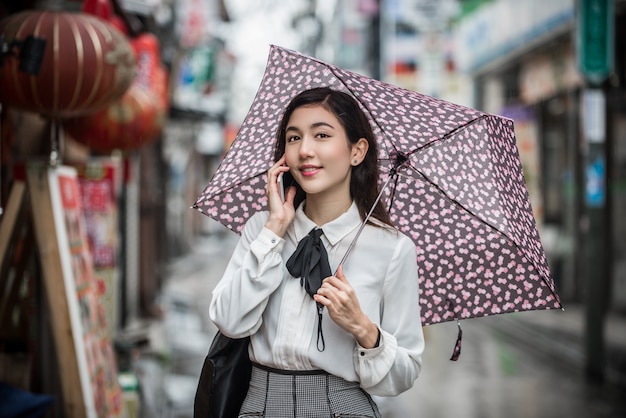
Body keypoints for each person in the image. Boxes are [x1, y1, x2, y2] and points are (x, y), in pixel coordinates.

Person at [209, 87, 425, 417]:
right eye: (293, 138)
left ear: (357, 151)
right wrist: (274, 231)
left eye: (321, 135)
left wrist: (363, 328)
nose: (305, 150)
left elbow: (403, 374)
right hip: (260, 405)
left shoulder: (392, 249)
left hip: (344, 406)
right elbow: (229, 322)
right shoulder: (261, 229)